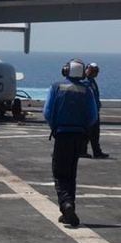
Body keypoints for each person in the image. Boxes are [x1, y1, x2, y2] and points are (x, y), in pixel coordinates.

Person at [43, 58, 98, 228]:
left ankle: (66, 203)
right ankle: (69, 209)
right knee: (71, 173)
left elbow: (47, 112)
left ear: (66, 70)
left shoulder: (57, 87)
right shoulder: (86, 90)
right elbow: (93, 116)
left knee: (60, 173)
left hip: (62, 135)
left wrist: (55, 125)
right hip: (78, 137)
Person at [84, 62, 109, 158]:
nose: (95, 73)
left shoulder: (92, 81)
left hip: (94, 110)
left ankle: (97, 151)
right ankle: (83, 151)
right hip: (89, 111)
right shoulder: (86, 82)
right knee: (87, 133)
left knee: (95, 133)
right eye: (94, 71)